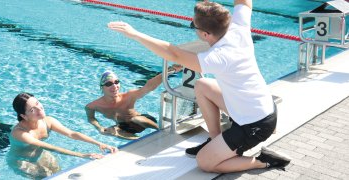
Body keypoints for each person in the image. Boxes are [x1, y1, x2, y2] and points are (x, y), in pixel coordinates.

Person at [108, 0, 291, 174]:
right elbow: (243, 2)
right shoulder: (238, 27)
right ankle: (215, 139)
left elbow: (174, 54)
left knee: (205, 163)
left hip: (254, 124)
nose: (193, 28)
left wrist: (135, 34)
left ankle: (264, 160)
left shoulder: (219, 56)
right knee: (203, 85)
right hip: (259, 107)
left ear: (205, 35)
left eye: (193, 26)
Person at [7, 93, 117, 178]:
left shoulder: (48, 121)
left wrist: (99, 143)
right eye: (32, 109)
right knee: (47, 176)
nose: (39, 108)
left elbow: (72, 133)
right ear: (24, 116)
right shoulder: (20, 133)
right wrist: (82, 155)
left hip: (40, 154)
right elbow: (50, 147)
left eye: (37, 103)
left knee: (59, 174)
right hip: (21, 160)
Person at [85, 65, 182, 140]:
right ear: (102, 87)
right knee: (111, 130)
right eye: (109, 84)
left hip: (143, 121)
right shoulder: (92, 106)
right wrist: (99, 127)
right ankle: (141, 141)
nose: (114, 87)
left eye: (116, 82)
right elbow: (91, 118)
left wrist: (169, 71)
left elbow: (149, 87)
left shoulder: (128, 96)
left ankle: (162, 131)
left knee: (136, 119)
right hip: (124, 127)